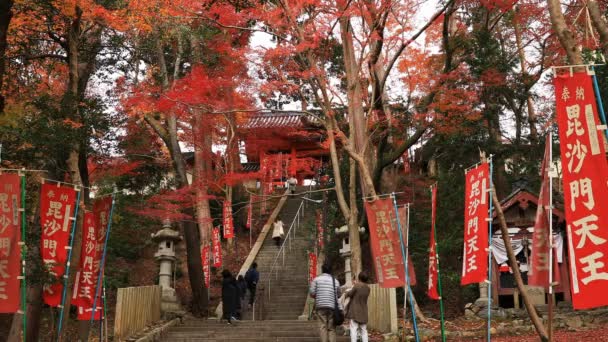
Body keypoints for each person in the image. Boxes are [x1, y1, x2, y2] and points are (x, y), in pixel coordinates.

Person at [310, 263, 342, 342]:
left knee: (322, 326)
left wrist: (318, 296)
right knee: (331, 328)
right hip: (332, 306)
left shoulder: (316, 280)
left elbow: (312, 293)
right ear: (330, 271)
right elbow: (339, 294)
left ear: (322, 270)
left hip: (320, 306)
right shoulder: (335, 281)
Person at [345, 272, 370, 342]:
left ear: (359, 278)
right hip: (364, 311)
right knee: (364, 330)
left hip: (355, 311)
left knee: (353, 330)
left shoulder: (357, 285)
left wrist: (346, 293)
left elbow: (350, 294)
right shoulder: (368, 288)